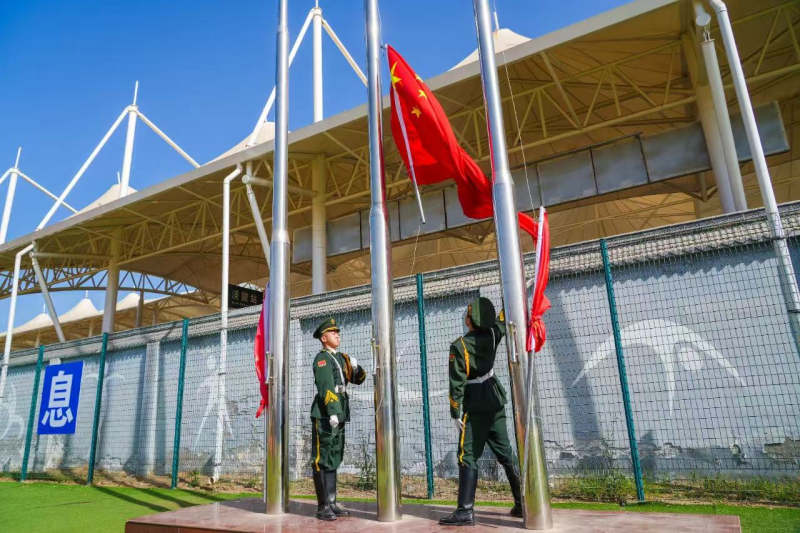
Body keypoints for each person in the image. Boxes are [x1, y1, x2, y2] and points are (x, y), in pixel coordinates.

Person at [439, 297, 523, 526]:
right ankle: (522, 503)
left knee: (467, 456)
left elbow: (457, 384)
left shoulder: (460, 346)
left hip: (475, 404)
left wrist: (455, 412)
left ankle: (465, 511)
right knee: (506, 454)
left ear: (469, 321)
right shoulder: (493, 334)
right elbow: (503, 320)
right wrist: (510, 299)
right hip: (495, 399)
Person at [309, 317, 367, 521]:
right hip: (326, 413)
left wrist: (357, 368)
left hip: (340, 411)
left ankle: (332, 503)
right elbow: (325, 385)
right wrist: (332, 411)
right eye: (333, 333)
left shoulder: (342, 358)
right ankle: (323, 506)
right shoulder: (322, 358)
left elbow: (358, 380)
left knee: (334, 454)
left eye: (338, 333)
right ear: (323, 338)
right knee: (322, 457)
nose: (337, 336)